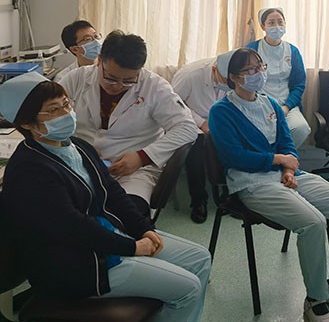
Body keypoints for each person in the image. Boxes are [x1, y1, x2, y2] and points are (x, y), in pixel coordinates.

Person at [0, 72, 211, 322]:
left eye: (66, 104)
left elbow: (112, 192)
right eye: (54, 110)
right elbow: (73, 227)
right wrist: (132, 247)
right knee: (188, 288)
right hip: (75, 265)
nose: (66, 114)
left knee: (200, 259)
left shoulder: (78, 146)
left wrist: (143, 229)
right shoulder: (30, 170)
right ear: (27, 124)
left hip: (105, 238)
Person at [208, 48, 329, 322]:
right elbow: (234, 156)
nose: (258, 73)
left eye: (260, 67)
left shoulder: (270, 104)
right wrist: (278, 161)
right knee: (314, 223)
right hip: (252, 183)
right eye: (250, 70)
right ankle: (314, 298)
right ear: (233, 77)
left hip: (287, 176)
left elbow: (286, 143)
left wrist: (289, 169)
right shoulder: (221, 112)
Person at [58, 31, 197, 217]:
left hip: (134, 173)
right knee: (60, 210)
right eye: (111, 78)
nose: (118, 86)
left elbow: (187, 128)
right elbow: (48, 115)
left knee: (128, 215)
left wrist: (142, 157)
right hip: (80, 163)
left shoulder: (155, 87)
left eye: (129, 81)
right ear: (99, 61)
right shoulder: (76, 79)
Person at [171, 50, 234, 223]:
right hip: (190, 120)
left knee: (234, 140)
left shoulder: (237, 76)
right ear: (214, 70)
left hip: (220, 118)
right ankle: (199, 200)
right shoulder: (190, 75)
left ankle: (230, 193)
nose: (229, 84)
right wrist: (200, 122)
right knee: (195, 146)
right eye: (226, 80)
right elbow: (173, 105)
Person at [246, 7, 311, 147]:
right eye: (271, 23)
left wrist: (287, 107)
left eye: (280, 22)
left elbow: (299, 85)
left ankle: (283, 155)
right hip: (259, 103)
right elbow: (246, 80)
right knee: (260, 131)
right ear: (263, 26)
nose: (277, 26)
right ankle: (268, 156)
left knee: (301, 128)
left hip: (286, 104)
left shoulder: (292, 51)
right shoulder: (252, 49)